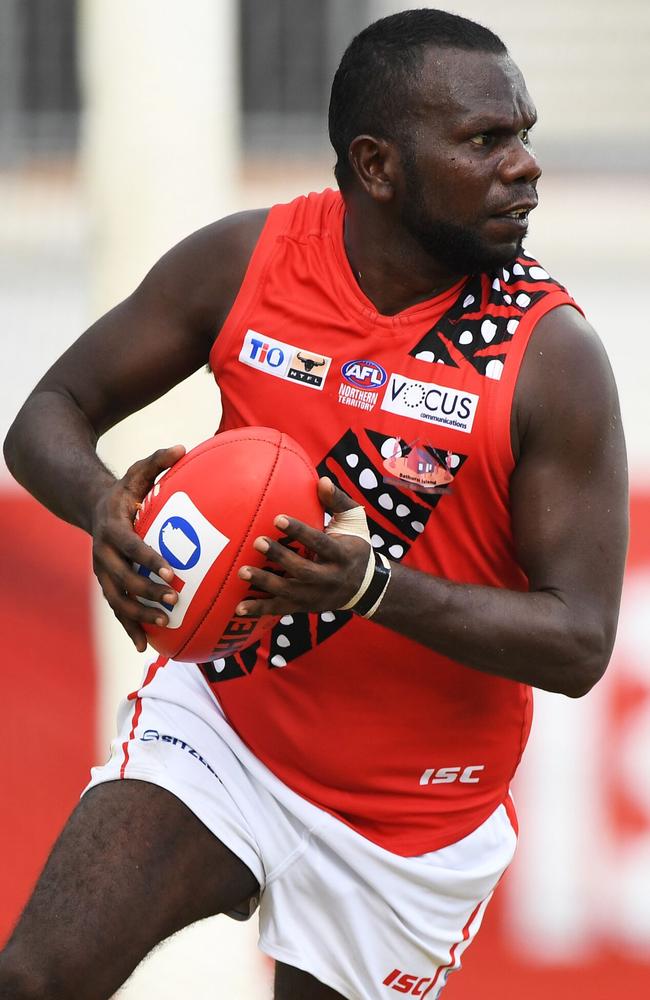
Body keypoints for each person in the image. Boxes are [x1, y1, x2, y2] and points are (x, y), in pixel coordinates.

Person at [1, 8, 628, 1000]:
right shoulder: (244, 263)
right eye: (483, 140)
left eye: (523, 135)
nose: (524, 166)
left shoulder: (552, 360)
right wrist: (104, 509)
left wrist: (372, 587)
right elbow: (50, 412)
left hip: (411, 818)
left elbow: (578, 642)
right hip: (224, 720)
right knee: (36, 977)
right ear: (376, 166)